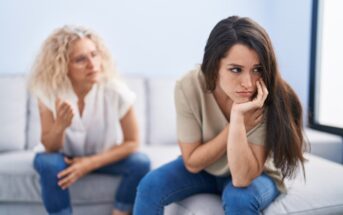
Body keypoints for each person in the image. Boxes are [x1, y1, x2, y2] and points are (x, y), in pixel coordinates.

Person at [133, 16, 306, 215]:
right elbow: (191, 161)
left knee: (238, 198)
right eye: (235, 70)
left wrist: (240, 118)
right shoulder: (188, 86)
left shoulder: (263, 94)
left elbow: (242, 179)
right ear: (214, 66)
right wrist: (236, 124)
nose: (248, 83)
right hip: (204, 170)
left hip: (258, 174)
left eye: (257, 69)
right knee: (149, 186)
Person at [28, 26, 150, 215]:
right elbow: (50, 147)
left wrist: (89, 164)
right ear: (63, 66)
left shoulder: (115, 90)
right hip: (62, 159)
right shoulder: (48, 92)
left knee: (140, 162)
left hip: (100, 157)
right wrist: (60, 126)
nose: (92, 64)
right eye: (80, 59)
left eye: (94, 55)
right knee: (50, 164)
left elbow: (132, 142)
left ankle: (120, 212)